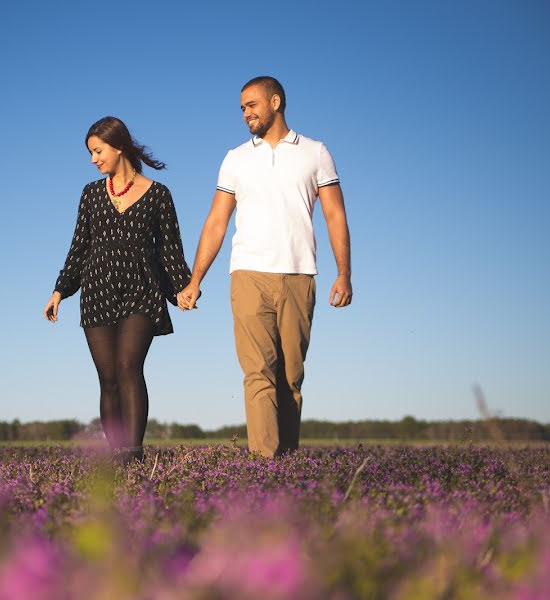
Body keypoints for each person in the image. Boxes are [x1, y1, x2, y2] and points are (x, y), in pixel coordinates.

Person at [177, 76, 352, 457]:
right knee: (257, 373)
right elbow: (216, 222)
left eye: (251, 105)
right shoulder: (235, 158)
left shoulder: (315, 152)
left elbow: (335, 215)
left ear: (275, 102)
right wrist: (195, 280)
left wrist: (344, 273)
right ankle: (264, 467)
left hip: (298, 274)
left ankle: (286, 466)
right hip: (248, 274)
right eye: (241, 108)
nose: (245, 113)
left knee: (290, 377)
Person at [44, 116, 195, 462]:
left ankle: (133, 454)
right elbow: (79, 247)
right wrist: (60, 291)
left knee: (129, 367)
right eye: (91, 154)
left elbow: (170, 250)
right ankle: (115, 456)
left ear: (119, 147)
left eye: (98, 151)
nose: (94, 159)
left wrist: (184, 289)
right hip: (97, 291)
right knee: (108, 378)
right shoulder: (91, 194)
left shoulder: (158, 195)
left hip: (143, 290)